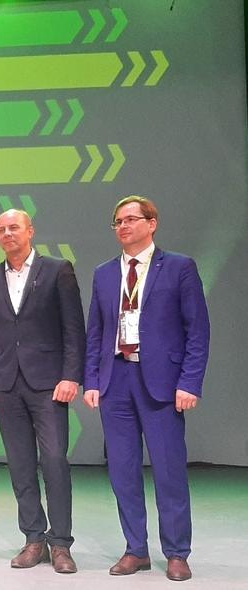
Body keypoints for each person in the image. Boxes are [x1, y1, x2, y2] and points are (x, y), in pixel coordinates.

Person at [83, 196, 209, 582]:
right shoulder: (105, 273)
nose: (123, 226)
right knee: (123, 471)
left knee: (169, 470)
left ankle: (176, 552)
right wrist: (92, 379)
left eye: (131, 219)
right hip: (115, 380)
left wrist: (189, 382)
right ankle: (135, 549)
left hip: (162, 383)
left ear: (152, 223)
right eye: (117, 221)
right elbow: (96, 331)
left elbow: (197, 330)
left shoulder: (179, 267)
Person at [0, 209, 85, 574]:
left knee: (54, 460)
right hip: (6, 384)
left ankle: (61, 543)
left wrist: (71, 375)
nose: (7, 234)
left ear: (30, 231)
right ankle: (33, 538)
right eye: (1, 229)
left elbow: (73, 328)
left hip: (49, 383)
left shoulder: (57, 270)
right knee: (20, 465)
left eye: (14, 228)